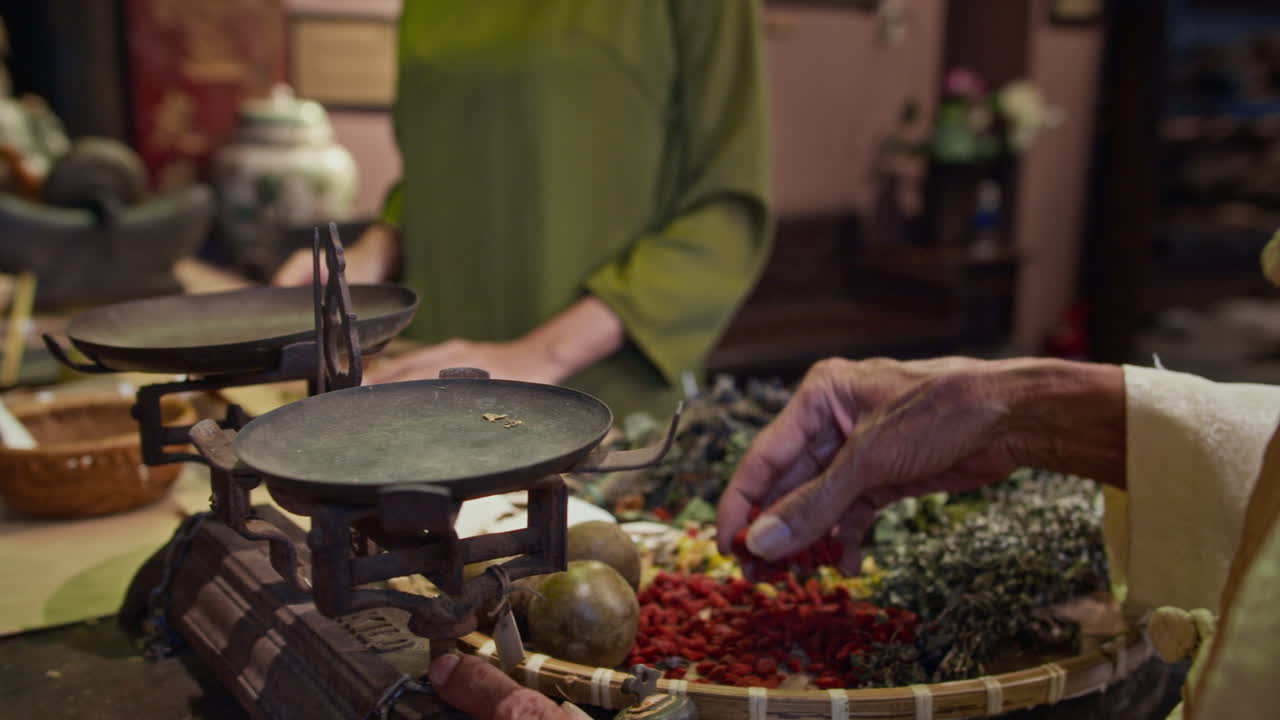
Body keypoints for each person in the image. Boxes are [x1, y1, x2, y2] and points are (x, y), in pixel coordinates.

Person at [274, 0, 772, 419]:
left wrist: (535, 356)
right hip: (427, 387)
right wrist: (373, 251)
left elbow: (725, 213)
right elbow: (439, 163)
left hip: (592, 408)